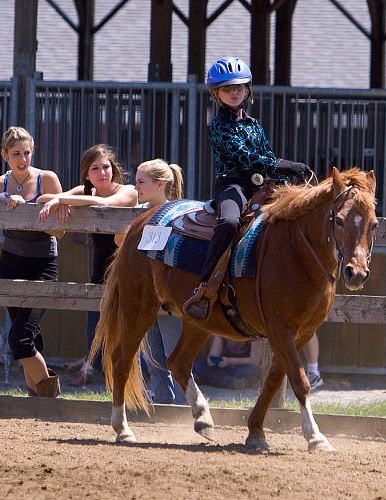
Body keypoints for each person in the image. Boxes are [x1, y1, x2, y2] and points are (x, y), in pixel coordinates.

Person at [183, 56, 311, 320]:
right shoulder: (218, 125)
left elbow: (268, 156)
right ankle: (205, 285)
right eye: (228, 88)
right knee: (229, 222)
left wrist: (290, 168)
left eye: (239, 87)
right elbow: (247, 159)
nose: (234, 92)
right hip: (233, 184)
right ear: (216, 93)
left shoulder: (255, 125)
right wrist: (287, 166)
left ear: (247, 90)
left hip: (263, 184)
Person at [39, 144, 138, 385]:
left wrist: (65, 200)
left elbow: (108, 204)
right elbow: (42, 199)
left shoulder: (128, 191)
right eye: (95, 168)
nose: (102, 172)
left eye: (106, 167)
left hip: (130, 271)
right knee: (95, 330)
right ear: (87, 174)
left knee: (129, 331)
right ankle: (93, 371)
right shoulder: (87, 191)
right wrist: (62, 203)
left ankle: (134, 379)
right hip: (100, 271)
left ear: (113, 169)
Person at [0, 126, 64, 397]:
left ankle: (50, 399)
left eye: (27, 153)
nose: (23, 159)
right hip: (11, 263)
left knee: (19, 339)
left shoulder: (47, 179)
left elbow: (61, 231)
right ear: (4, 154)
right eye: (16, 153)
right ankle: (35, 400)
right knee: (31, 336)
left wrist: (30, 210)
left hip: (43, 263)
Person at [133, 158, 187, 404]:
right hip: (148, 292)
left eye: (141, 182)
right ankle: (165, 401)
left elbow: (149, 251)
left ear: (160, 184)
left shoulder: (172, 212)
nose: (136, 188)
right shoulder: (142, 211)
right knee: (153, 353)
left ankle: (185, 404)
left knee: (175, 350)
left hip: (169, 295)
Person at [193, 336, 262, 389]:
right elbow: (213, 354)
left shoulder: (252, 333)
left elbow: (255, 360)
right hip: (226, 367)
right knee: (198, 366)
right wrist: (212, 360)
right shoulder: (223, 331)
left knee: (252, 371)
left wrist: (229, 361)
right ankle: (233, 383)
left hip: (242, 367)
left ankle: (215, 380)